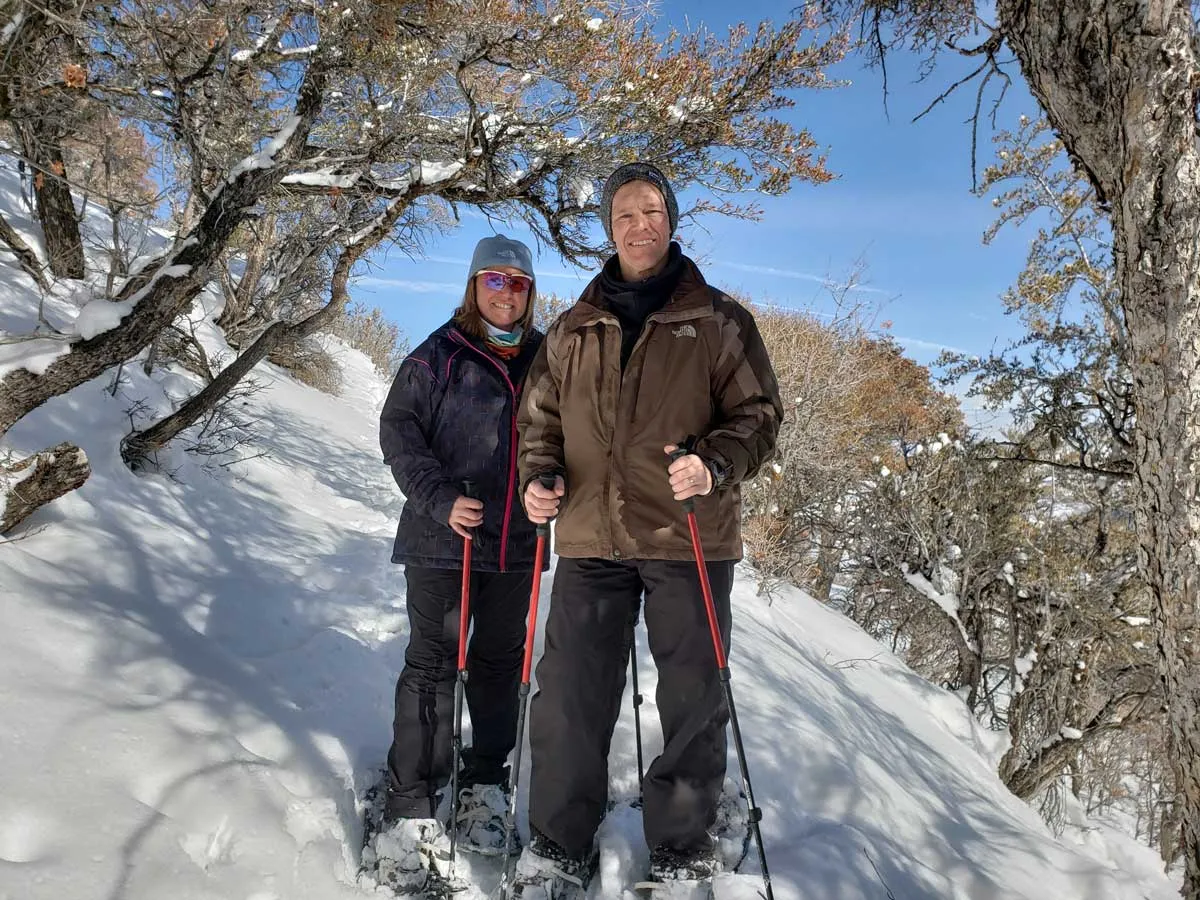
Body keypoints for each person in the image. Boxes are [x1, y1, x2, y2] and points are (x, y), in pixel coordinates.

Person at [511, 163, 783, 897]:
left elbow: (759, 417)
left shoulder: (719, 321)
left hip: (687, 535)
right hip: (592, 535)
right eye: (626, 213)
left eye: (653, 210)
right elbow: (539, 422)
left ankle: (683, 847)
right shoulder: (574, 328)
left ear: (672, 220)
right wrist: (541, 480)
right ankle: (557, 843)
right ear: (609, 228)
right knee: (568, 691)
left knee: (693, 694)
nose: (641, 225)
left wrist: (715, 465)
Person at [374, 235, 546, 894]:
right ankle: (410, 806)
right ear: (474, 286)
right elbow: (398, 431)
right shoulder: (438, 354)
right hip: (443, 540)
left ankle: (483, 787)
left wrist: (553, 478)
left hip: (518, 544)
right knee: (433, 665)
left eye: (519, 283)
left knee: (501, 668)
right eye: (495, 280)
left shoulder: (546, 361)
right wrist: (440, 498)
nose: (507, 293)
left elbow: (565, 434)